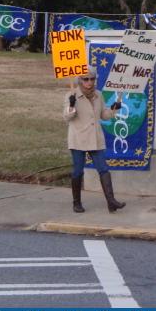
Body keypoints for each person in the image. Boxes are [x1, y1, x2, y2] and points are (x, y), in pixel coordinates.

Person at [63, 66, 125, 213]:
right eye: (86, 79)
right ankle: (76, 203)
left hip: (95, 138)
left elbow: (103, 115)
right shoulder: (71, 95)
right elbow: (67, 117)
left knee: (103, 169)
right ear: (80, 80)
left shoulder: (98, 95)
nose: (89, 82)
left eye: (92, 79)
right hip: (78, 139)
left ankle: (111, 202)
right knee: (78, 171)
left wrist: (114, 108)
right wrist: (71, 105)